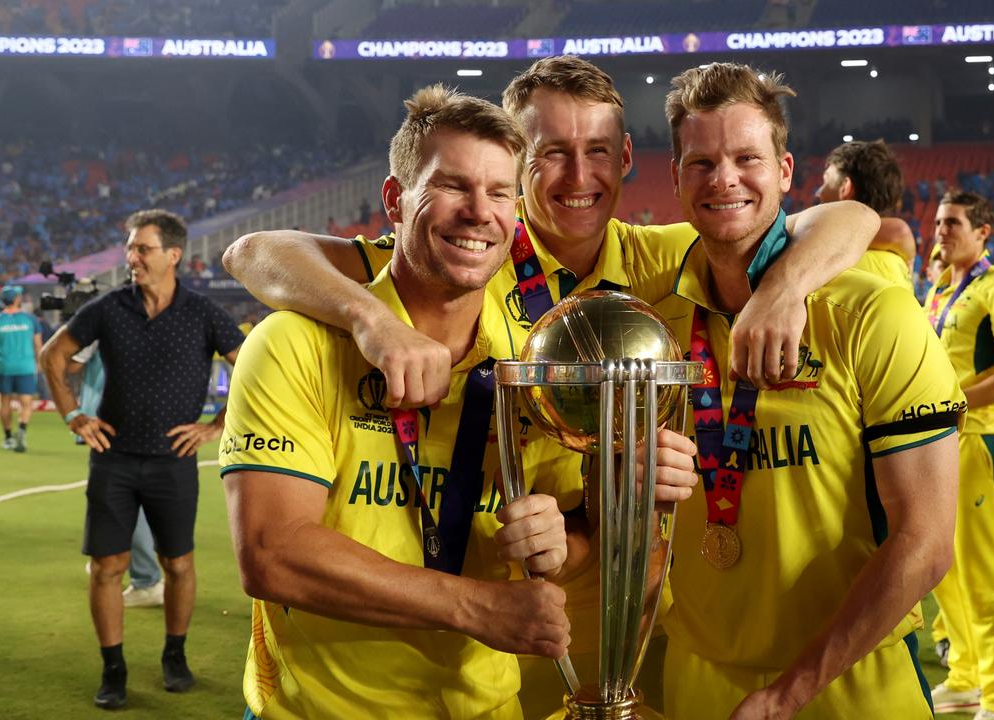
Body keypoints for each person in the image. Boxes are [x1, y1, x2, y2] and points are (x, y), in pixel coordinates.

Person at [221, 54, 883, 712]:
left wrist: (785, 289)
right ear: (518, 163)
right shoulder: (465, 258)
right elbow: (252, 251)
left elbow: (854, 221)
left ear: (626, 158)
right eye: (551, 152)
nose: (578, 175)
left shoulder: (660, 257)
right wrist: (372, 320)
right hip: (498, 626)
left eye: (596, 150)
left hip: (621, 609)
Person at [219, 84, 697, 719]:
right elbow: (273, 553)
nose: (480, 212)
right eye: (452, 187)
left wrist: (568, 538)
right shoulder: (295, 342)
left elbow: (571, 525)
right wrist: (475, 605)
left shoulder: (533, 365)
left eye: (499, 193)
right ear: (395, 200)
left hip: (484, 709)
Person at [655, 61, 962, 720]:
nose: (725, 179)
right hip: (696, 676)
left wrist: (786, 695)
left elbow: (928, 540)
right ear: (676, 179)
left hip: (850, 682)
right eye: (701, 163)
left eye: (747, 158)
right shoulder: (655, 324)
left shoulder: (874, 313)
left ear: (787, 171)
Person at [39, 209, 244, 710]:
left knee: (179, 563)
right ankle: (114, 669)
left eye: (142, 249)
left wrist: (216, 426)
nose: (132, 257)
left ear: (173, 255)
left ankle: (175, 656)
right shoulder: (108, 308)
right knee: (108, 565)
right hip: (113, 460)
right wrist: (73, 418)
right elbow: (52, 355)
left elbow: (251, 367)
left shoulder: (203, 312)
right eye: (130, 248)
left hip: (172, 462)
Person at [925, 190, 994, 719]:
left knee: (985, 573)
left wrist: (950, 402)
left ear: (983, 231)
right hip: (938, 442)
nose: (941, 230)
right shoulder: (941, 289)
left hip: (977, 441)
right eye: (939, 221)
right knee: (941, 568)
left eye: (953, 223)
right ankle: (966, 674)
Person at [70, 340, 164, 608]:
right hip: (148, 415)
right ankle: (111, 558)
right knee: (124, 494)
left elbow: (69, 364)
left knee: (122, 496)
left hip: (112, 418)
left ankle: (146, 580)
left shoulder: (105, 316)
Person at [814, 139, 917, 290]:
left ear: (845, 188)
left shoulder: (824, 266)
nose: (819, 193)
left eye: (826, 181)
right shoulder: (897, 261)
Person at [0, 284, 42, 452]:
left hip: (4, 367)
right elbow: (38, 344)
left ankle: (8, 438)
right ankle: (22, 430)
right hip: (26, 366)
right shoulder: (31, 319)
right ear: (17, 299)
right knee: (26, 402)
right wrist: (40, 363)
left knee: (5, 402)